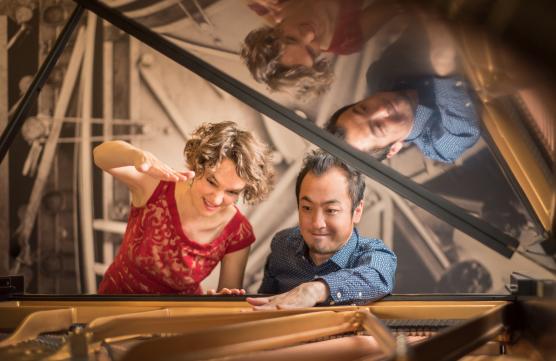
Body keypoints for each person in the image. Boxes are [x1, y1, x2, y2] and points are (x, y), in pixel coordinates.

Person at [94, 121, 274, 295]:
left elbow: (228, 297)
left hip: (177, 319)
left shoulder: (238, 232)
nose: (217, 199)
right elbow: (100, 155)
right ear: (198, 164)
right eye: (212, 181)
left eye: (232, 192)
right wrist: (135, 155)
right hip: (116, 300)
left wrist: (217, 303)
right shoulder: (157, 184)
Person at [247, 150, 396, 309]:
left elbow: (377, 276)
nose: (317, 223)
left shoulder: (375, 253)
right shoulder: (282, 245)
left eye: (331, 210)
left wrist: (315, 290)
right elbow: (266, 302)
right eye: (307, 208)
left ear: (357, 211)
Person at [325, 15, 481, 163]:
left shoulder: (379, 73)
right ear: (393, 148)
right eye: (379, 126)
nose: (381, 109)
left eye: (364, 108)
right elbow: (463, 131)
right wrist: (444, 66)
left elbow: (421, 24)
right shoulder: (438, 144)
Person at [241, 0, 403, 98]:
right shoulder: (347, 40)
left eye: (291, 39)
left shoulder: (269, 5)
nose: (309, 34)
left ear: (274, 30)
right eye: (311, 52)